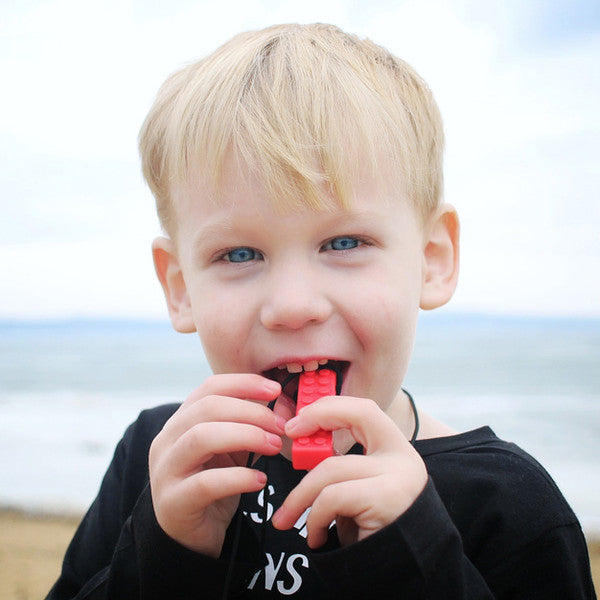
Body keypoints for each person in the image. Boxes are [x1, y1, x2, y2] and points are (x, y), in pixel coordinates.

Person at [47, 23, 596, 599]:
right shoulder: (158, 457)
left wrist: (417, 556)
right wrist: (166, 555)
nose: (292, 306)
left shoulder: (508, 504)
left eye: (344, 243)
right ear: (180, 287)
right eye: (239, 253)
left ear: (433, 260)